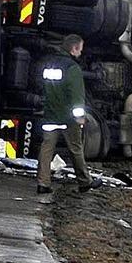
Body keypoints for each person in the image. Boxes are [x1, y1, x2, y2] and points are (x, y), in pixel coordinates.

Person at [37, 34, 101, 194]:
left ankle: (43, 183)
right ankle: (85, 182)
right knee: (76, 149)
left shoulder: (50, 65)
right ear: (74, 49)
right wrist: (79, 116)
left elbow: (44, 88)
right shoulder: (72, 68)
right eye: (80, 49)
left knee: (46, 149)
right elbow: (77, 96)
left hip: (51, 114)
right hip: (67, 118)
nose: (81, 52)